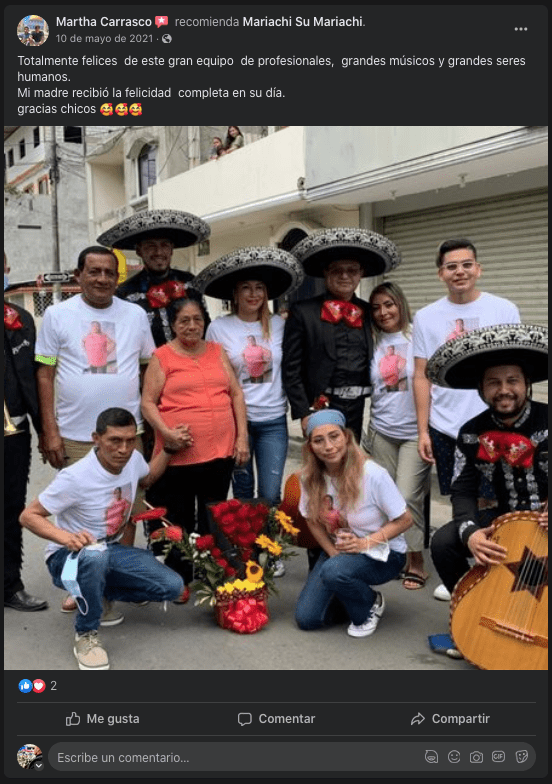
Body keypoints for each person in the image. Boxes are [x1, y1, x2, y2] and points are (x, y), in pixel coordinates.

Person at [19, 408, 186, 671]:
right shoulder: (74, 477)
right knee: (94, 554)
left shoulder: (133, 459)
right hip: (67, 558)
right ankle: (86, 634)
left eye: (130, 440)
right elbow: (28, 516)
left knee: (173, 586)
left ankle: (93, 592)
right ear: (96, 439)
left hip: (110, 550)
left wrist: (168, 450)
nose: (123, 449)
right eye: (115, 441)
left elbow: (148, 477)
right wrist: (66, 537)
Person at [412, 238, 520, 600]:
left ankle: (497, 569)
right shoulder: (426, 316)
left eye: (466, 264)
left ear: (478, 268)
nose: (460, 271)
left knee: (498, 501)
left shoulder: (503, 308)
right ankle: (470, 569)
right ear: (441, 273)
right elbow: (420, 375)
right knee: (463, 500)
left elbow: (515, 367)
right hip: (446, 427)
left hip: (495, 425)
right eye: (451, 266)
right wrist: (423, 429)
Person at [426, 323, 548, 598]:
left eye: (512, 380)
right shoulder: (471, 433)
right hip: (505, 516)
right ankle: (478, 606)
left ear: (526, 384)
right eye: (494, 382)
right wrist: (471, 533)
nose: (504, 390)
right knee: (444, 542)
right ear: (481, 389)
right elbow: (463, 489)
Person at [141, 298, 249, 593]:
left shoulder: (216, 351)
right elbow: (148, 402)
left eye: (197, 319)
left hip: (220, 450)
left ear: (205, 322)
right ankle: (180, 579)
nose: (191, 326)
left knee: (212, 514)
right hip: (180, 452)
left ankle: (208, 571)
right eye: (184, 321)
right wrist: (165, 432)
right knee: (179, 517)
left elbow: (236, 394)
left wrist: (242, 438)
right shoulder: (162, 356)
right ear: (174, 325)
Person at [198, 246, 304, 507]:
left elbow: (294, 367)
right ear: (235, 292)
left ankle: (268, 546)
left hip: (273, 421)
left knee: (270, 494)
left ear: (266, 293)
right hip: (236, 422)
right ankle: (247, 548)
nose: (253, 294)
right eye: (246, 287)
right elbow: (213, 374)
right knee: (243, 492)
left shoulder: (280, 324)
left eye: (259, 287)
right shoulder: (219, 328)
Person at [35, 246, 155, 470]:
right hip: (75, 436)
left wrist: (150, 425)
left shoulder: (135, 315)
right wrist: (50, 431)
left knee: (128, 501)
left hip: (128, 434)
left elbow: (147, 369)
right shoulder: (56, 315)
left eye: (110, 273)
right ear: (78, 275)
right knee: (80, 503)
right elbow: (45, 373)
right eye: (94, 271)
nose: (102, 279)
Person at [295, 409, 412, 636]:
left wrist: (363, 544)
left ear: (346, 437)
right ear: (310, 447)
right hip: (341, 552)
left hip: (383, 552)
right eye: (319, 441)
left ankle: (370, 603)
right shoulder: (308, 476)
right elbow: (311, 520)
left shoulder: (372, 474)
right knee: (307, 618)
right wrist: (332, 553)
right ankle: (346, 588)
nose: (329, 446)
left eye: (334, 436)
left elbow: (405, 519)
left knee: (335, 573)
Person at [283, 227, 401, 442]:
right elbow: (291, 368)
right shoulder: (303, 312)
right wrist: (303, 412)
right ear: (326, 273)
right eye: (337, 270)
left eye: (352, 270)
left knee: (353, 466)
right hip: (321, 404)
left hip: (359, 407)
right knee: (326, 464)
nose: (345, 275)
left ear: (361, 274)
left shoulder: (370, 312)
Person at [365, 282, 432, 589]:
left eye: (389, 304)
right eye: (377, 307)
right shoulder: (371, 340)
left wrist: (426, 430)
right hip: (381, 430)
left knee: (406, 498)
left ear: (401, 304)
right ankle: (394, 556)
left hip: (414, 434)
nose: (383, 312)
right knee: (382, 499)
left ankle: (416, 560)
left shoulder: (419, 334)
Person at [97, 209, 211, 348]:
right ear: (139, 251)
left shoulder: (190, 282)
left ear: (171, 249)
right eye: (151, 246)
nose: (158, 252)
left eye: (164, 245)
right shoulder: (125, 293)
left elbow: (206, 327)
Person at [4, 253, 48, 612]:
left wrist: (46, 431)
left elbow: (33, 380)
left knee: (10, 510)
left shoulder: (19, 319)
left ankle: (9, 584)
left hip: (13, 434)